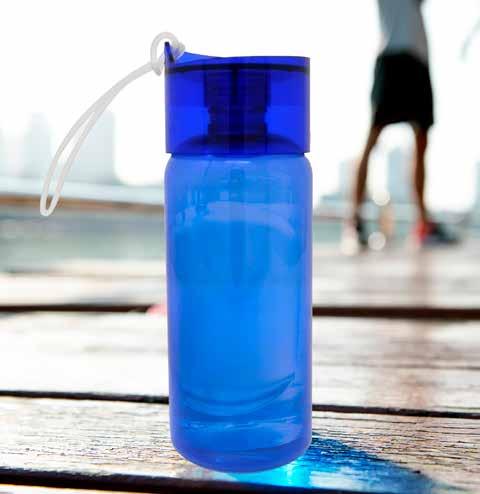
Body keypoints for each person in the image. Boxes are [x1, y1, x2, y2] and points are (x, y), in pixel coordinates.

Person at [343, 0, 456, 252]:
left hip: (419, 60)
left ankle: (423, 225)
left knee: (422, 141)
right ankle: (354, 221)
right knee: (372, 138)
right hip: (392, 57)